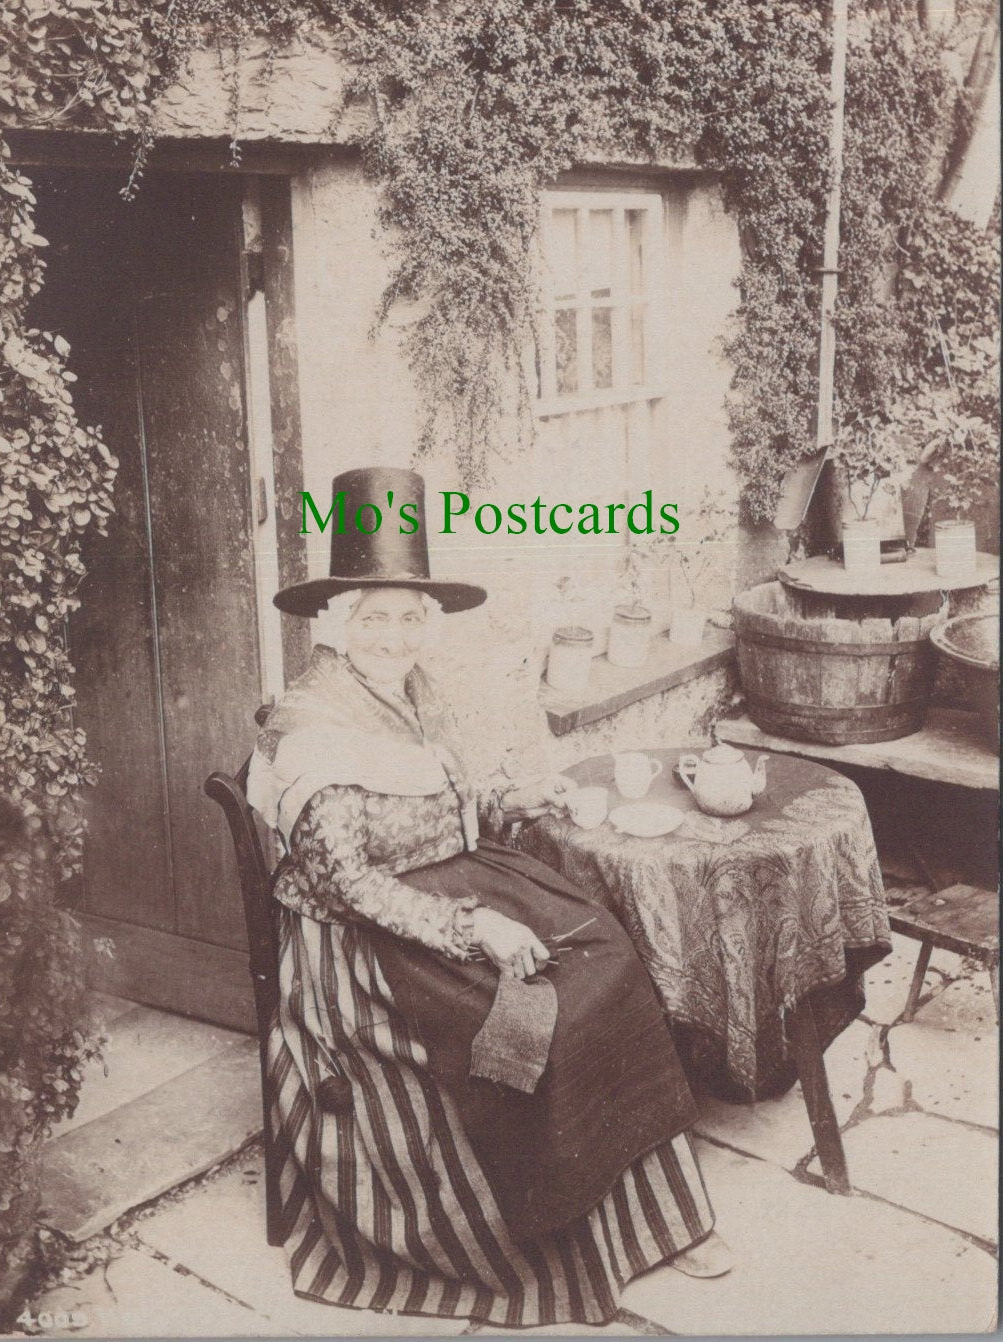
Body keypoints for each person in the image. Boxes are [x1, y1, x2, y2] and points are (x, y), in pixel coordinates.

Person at [248, 467, 729, 1327]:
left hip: (453, 881)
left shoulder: (409, 691)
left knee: (609, 959)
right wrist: (477, 928)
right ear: (339, 622)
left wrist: (517, 802)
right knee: (538, 1005)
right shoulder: (310, 719)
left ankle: (650, 1215)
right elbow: (347, 883)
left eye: (408, 617)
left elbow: (446, 798)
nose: (395, 635)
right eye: (376, 616)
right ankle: (550, 1235)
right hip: (366, 945)